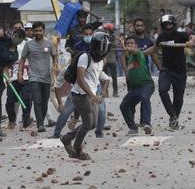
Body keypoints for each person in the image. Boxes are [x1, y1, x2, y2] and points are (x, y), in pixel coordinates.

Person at [60, 32, 110, 160]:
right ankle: (77, 150)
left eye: (103, 51)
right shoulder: (84, 57)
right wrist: (92, 95)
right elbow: (80, 79)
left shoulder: (100, 61)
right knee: (88, 124)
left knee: (92, 124)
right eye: (99, 50)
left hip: (92, 95)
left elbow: (104, 77)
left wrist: (104, 90)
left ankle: (68, 137)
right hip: (80, 95)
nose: (100, 53)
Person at [156, 14, 195, 130]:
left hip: (180, 71)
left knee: (178, 98)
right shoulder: (161, 37)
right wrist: (141, 52)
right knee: (162, 90)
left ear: (174, 25)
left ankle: (174, 120)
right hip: (166, 70)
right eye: (165, 25)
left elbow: (194, 37)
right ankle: (173, 116)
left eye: (170, 24)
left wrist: (191, 41)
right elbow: (154, 48)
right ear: (163, 26)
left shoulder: (181, 35)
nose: (168, 26)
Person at [19, 22, 57, 132]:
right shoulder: (29, 44)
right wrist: (19, 73)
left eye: (40, 30)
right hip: (34, 77)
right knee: (37, 100)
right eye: (36, 31)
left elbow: (55, 56)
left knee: (44, 102)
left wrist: (55, 65)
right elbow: (22, 59)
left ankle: (42, 120)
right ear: (33, 31)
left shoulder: (49, 44)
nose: (38, 32)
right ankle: (40, 124)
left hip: (47, 77)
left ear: (44, 31)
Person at [120, 36, 156, 135]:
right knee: (123, 106)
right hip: (134, 88)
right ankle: (133, 127)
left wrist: (126, 47)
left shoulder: (139, 53)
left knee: (144, 97)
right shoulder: (129, 58)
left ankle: (146, 123)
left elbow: (133, 51)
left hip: (146, 85)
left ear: (136, 45)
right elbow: (125, 54)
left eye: (131, 43)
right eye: (127, 43)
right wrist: (123, 46)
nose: (129, 45)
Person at [8, 23, 33, 130]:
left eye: (20, 29)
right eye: (15, 29)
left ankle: (26, 121)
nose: (17, 31)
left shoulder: (29, 43)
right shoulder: (8, 44)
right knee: (10, 101)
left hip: (27, 75)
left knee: (26, 99)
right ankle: (12, 120)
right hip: (11, 76)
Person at [101, 23, 125, 97]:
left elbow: (116, 45)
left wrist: (111, 43)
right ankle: (105, 92)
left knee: (114, 77)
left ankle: (115, 91)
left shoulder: (114, 37)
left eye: (106, 30)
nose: (105, 31)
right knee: (103, 77)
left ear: (110, 30)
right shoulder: (102, 37)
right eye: (104, 30)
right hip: (104, 59)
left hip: (112, 59)